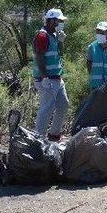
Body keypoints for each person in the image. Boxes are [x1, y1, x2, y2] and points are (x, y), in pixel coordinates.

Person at [32, 8, 70, 141]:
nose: (61, 23)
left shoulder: (54, 35)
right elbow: (39, 56)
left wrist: (61, 42)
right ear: (52, 21)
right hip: (46, 78)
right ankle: (38, 139)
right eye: (59, 21)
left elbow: (58, 55)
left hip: (56, 78)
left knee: (63, 104)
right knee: (46, 108)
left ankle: (54, 134)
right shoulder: (42, 36)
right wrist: (44, 77)